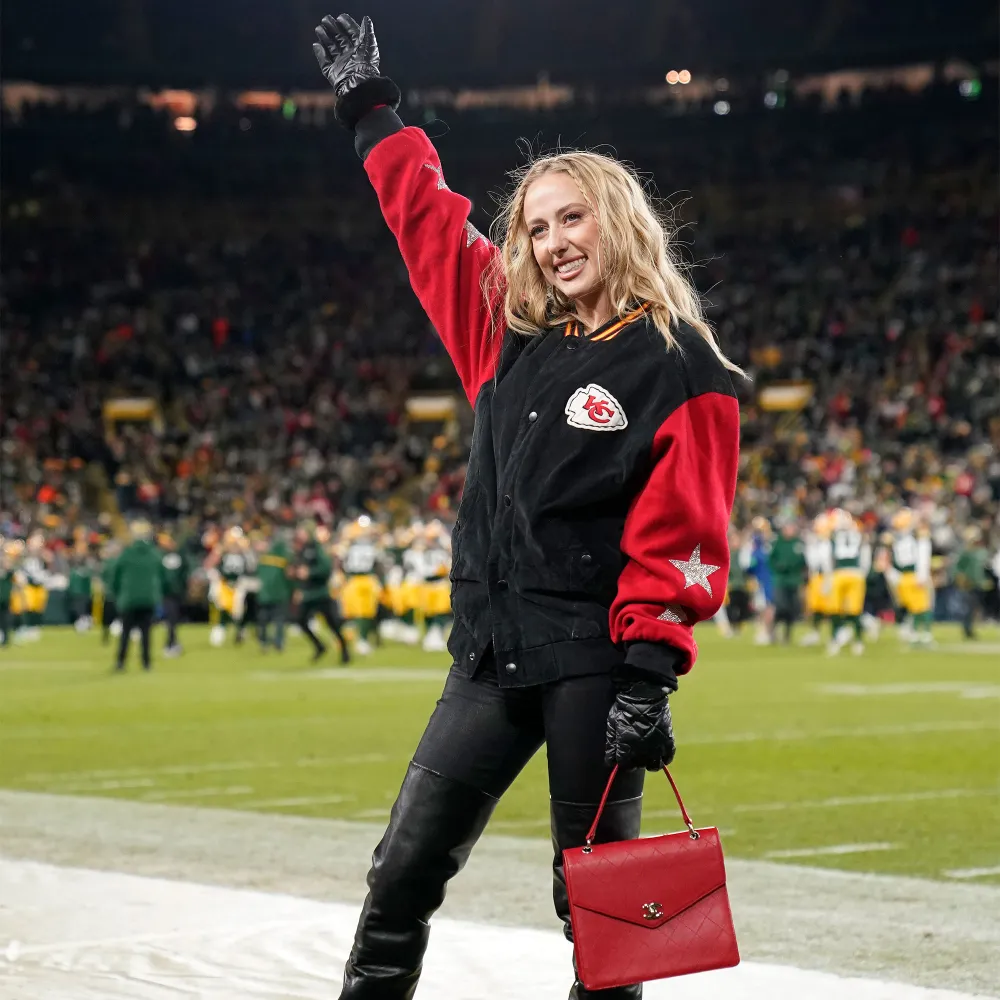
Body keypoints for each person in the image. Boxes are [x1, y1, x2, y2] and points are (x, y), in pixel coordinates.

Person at [313, 14, 741, 1000]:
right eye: (536, 228)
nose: (551, 244)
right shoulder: (502, 333)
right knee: (401, 872)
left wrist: (648, 677)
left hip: (595, 663)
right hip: (488, 656)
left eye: (570, 219)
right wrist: (370, 110)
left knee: (600, 910)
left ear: (617, 221)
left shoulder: (683, 363)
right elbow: (426, 221)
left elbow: (683, 529)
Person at [111, 519, 164, 672]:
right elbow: (163, 576)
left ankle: (121, 663)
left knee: (125, 632)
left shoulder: (126, 554)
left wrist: (117, 594)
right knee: (146, 633)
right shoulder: (154, 554)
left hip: (128, 599)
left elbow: (115, 576)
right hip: (148, 599)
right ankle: (146, 663)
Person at [293, 526, 351, 665]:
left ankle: (344, 651)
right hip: (308, 593)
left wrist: (310, 572)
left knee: (333, 625)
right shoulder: (303, 550)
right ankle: (319, 646)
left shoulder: (317, 549)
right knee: (300, 620)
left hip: (321, 593)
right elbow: (300, 570)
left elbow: (326, 568)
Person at [768, 519, 807, 644]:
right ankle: (773, 629)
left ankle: (787, 635)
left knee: (792, 609)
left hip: (794, 580)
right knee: (781, 607)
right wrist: (778, 567)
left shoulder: (798, 543)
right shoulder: (777, 543)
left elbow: (803, 561)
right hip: (780, 580)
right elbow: (770, 560)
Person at [256, 530, 293, 652]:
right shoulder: (283, 558)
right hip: (277, 593)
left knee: (265, 619)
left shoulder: (264, 559)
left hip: (268, 594)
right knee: (277, 620)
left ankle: (267, 641)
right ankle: (276, 641)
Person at [160, 532, 191, 656]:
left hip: (177, 592)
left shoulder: (180, 555)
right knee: (171, 618)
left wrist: (183, 587)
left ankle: (172, 642)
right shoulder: (161, 555)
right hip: (166, 593)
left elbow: (185, 572)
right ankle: (171, 643)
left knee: (173, 618)